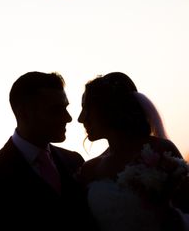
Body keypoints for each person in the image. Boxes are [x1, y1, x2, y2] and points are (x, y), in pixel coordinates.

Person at [0, 71, 95, 231]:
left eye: (66, 108)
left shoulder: (75, 161)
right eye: (56, 110)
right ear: (24, 113)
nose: (68, 118)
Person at [77, 72, 189, 231]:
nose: (81, 118)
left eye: (86, 108)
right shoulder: (89, 169)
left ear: (108, 109)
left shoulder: (160, 151)